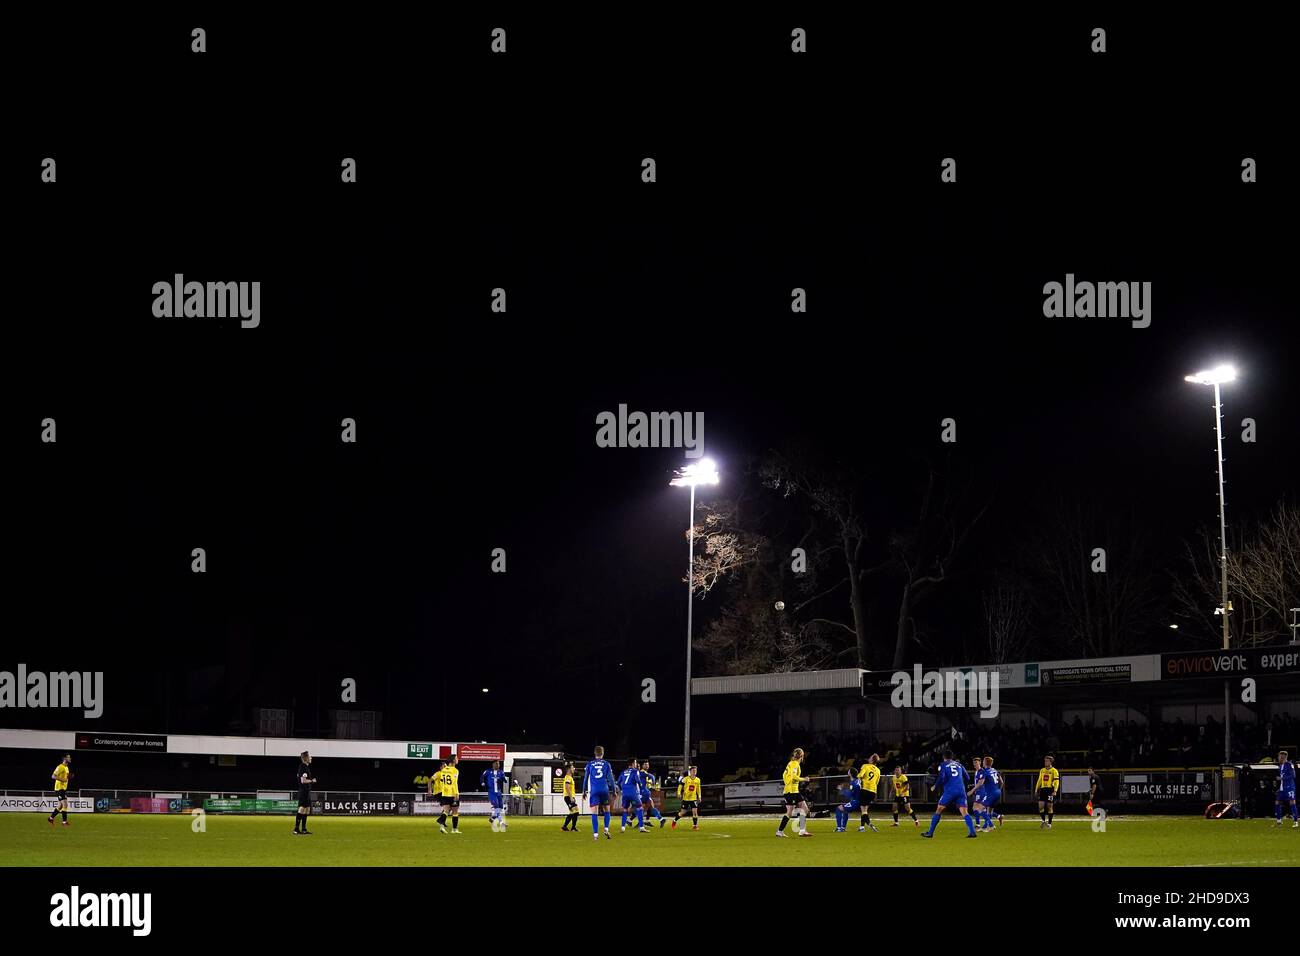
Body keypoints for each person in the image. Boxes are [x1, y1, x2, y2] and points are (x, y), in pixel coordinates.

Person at [920, 750, 977, 839]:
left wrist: (935, 786)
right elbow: (967, 777)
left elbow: (941, 777)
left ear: (944, 757)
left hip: (950, 791)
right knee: (965, 812)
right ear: (952, 757)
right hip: (961, 791)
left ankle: (930, 833)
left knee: (939, 809)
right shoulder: (959, 764)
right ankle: (972, 832)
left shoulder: (943, 765)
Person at [776, 747, 812, 837]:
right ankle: (779, 831)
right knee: (790, 812)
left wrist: (787, 783)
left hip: (794, 790)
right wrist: (804, 779)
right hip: (791, 791)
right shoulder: (794, 764)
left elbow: (784, 775)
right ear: (802, 756)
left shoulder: (791, 763)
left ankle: (802, 831)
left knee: (805, 808)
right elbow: (793, 776)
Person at [583, 745, 616, 841]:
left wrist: (584, 791)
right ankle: (606, 829)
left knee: (594, 813)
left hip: (594, 791)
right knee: (607, 810)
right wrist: (614, 790)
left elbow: (585, 778)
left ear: (595, 753)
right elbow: (611, 779)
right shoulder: (606, 764)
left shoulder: (590, 764)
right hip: (604, 790)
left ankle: (596, 835)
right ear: (603, 753)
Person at [974, 756, 1003, 830]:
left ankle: (991, 825)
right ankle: (987, 826)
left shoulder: (985, 771)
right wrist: (998, 790)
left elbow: (981, 783)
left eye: (983, 761)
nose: (982, 762)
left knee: (979, 808)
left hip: (990, 793)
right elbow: (1002, 782)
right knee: (989, 810)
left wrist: (972, 791)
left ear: (985, 762)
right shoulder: (994, 770)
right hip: (998, 792)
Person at [435, 754, 461, 834]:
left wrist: (443, 791)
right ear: (453, 760)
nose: (458, 759)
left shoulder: (443, 770)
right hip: (453, 794)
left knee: (446, 811)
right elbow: (454, 783)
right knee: (455, 812)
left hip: (445, 793)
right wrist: (456, 794)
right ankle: (454, 829)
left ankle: (442, 827)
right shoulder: (455, 770)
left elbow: (442, 782)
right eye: (456, 758)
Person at [856, 753, 881, 832]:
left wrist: (858, 778)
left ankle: (869, 824)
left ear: (872, 760)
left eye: (870, 757)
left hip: (865, 789)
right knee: (865, 810)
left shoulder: (865, 766)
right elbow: (877, 782)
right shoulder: (878, 770)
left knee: (863, 810)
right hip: (873, 791)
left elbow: (860, 775)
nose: (869, 758)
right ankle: (862, 827)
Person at [619, 759, 646, 832]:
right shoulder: (635, 771)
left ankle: (622, 828)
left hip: (625, 793)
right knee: (640, 808)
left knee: (625, 809)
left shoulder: (623, 772)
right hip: (633, 793)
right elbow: (638, 781)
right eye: (635, 762)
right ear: (632, 763)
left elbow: (618, 782)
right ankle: (641, 827)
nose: (636, 764)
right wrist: (641, 789)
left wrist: (622, 789)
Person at [638, 760, 667, 828]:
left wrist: (653, 784)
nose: (647, 766)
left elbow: (652, 777)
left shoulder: (642, 772)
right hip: (645, 792)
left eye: (647, 764)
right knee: (650, 806)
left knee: (639, 807)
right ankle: (661, 819)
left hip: (642, 792)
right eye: (645, 764)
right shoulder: (643, 773)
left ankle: (640, 823)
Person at [672, 766, 702, 830]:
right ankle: (674, 821)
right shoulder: (685, 779)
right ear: (690, 771)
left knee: (695, 812)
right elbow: (680, 786)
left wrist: (699, 796)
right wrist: (679, 793)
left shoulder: (698, 780)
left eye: (695, 771)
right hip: (685, 799)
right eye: (693, 771)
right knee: (682, 813)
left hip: (693, 798)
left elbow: (698, 789)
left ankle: (695, 826)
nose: (694, 772)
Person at [293, 751, 316, 835]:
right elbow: (303, 780)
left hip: (306, 791)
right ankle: (296, 829)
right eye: (309, 756)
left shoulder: (304, 767)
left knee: (307, 809)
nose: (311, 758)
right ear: (306, 758)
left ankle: (304, 829)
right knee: (302, 808)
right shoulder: (303, 767)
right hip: (303, 792)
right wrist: (312, 781)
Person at [481, 760, 507, 832]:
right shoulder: (488, 771)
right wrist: (482, 782)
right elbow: (482, 777)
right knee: (496, 807)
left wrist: (503, 779)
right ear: (493, 765)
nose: (498, 765)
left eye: (498, 764)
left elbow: (505, 780)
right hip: (492, 792)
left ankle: (492, 818)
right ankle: (501, 823)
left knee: (500, 808)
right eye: (497, 764)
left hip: (498, 792)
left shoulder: (501, 772)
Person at [1035, 755, 1060, 829]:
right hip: (1043, 790)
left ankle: (1049, 823)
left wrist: (1055, 790)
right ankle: (1043, 821)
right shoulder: (1042, 770)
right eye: (1045, 761)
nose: (1045, 762)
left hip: (1050, 790)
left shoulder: (1054, 771)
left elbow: (1056, 781)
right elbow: (1039, 780)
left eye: (1047, 761)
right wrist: (1036, 789)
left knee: (1049, 807)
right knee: (1040, 806)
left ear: (1051, 762)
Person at [47, 754, 72, 827]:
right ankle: (64, 822)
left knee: (60, 806)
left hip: (63, 789)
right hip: (59, 788)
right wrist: (63, 779)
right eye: (68, 757)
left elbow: (65, 778)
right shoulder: (60, 767)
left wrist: (68, 777)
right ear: (64, 758)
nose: (70, 758)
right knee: (65, 804)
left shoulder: (66, 767)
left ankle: (50, 818)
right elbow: (53, 776)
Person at [1275, 750, 1297, 828]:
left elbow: (1293, 775)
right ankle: (1279, 822)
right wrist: (1280, 787)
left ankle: (1295, 822)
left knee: (1292, 803)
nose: (1278, 758)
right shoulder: (1280, 766)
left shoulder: (1289, 764)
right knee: (1277, 803)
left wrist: (1282, 778)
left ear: (1283, 757)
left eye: (1279, 756)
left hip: (1290, 787)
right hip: (1282, 788)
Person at [560, 763, 581, 831]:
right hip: (568, 797)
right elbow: (567, 787)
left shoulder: (569, 777)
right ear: (569, 769)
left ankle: (569, 827)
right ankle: (570, 827)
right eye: (572, 768)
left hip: (569, 797)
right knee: (576, 812)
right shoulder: (568, 777)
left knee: (573, 812)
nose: (573, 769)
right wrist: (571, 797)